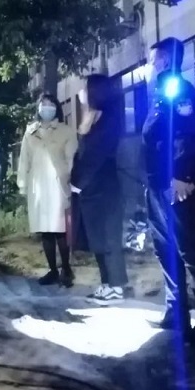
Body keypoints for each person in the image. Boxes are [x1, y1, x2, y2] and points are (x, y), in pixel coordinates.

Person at [143, 37, 195, 347]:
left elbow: (190, 137)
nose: (150, 65)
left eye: (153, 59)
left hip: (174, 184)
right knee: (165, 248)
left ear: (165, 59)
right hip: (157, 183)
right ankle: (176, 312)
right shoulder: (161, 92)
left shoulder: (179, 90)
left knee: (190, 250)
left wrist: (183, 175)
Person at [70, 74, 129, 302]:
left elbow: (94, 157)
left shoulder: (109, 121)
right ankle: (106, 284)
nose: (82, 93)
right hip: (92, 191)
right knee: (98, 240)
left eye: (86, 88)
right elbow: (83, 149)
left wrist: (77, 183)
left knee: (109, 238)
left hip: (105, 190)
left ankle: (116, 286)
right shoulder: (95, 117)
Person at [17, 94, 78, 287]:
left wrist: (70, 181)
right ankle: (52, 270)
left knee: (60, 229)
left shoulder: (65, 131)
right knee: (45, 230)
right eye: (43, 104)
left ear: (57, 108)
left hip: (58, 186)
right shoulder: (30, 132)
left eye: (51, 104)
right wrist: (22, 184)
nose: (47, 107)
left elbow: (71, 159)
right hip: (38, 187)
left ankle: (66, 268)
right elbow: (24, 160)